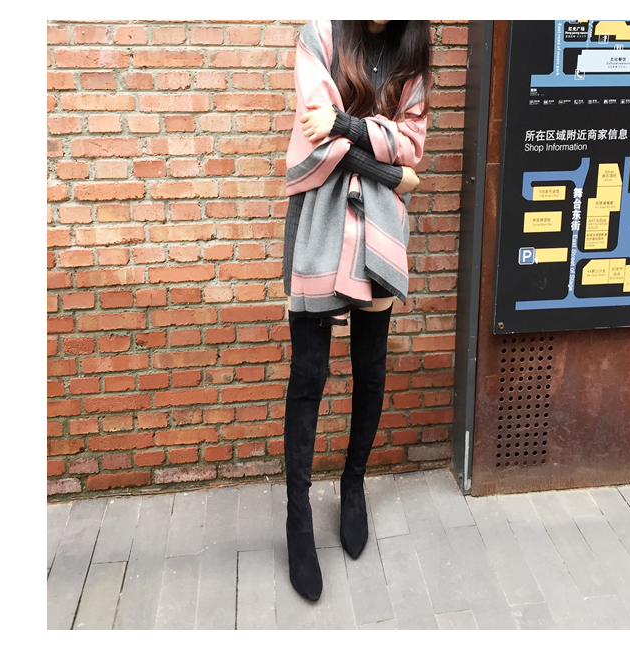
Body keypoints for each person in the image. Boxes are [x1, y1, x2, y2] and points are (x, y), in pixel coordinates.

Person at [281, 19, 431, 601]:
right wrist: (394, 173)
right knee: (308, 375)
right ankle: (297, 520)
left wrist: (346, 125)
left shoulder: (411, 53)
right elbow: (316, 138)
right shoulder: (319, 36)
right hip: (318, 223)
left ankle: (353, 485)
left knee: (369, 369)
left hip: (380, 229)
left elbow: (412, 142)